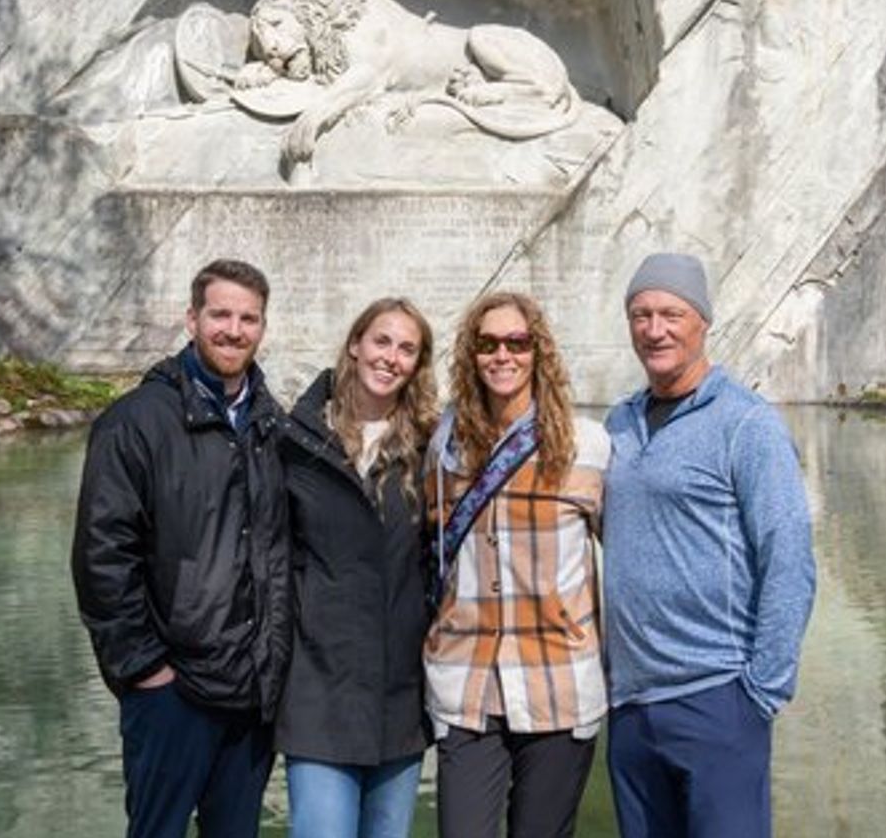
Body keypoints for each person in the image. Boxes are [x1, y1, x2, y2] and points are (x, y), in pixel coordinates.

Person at [71, 258, 291, 838]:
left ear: (262, 327)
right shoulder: (134, 422)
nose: (234, 330)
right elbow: (102, 557)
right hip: (173, 691)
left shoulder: (271, 424)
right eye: (220, 315)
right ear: (192, 319)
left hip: (251, 692)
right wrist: (144, 667)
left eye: (248, 319)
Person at [601, 253, 816, 838]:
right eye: (641, 315)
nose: (655, 330)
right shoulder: (619, 424)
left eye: (671, 314)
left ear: (702, 321)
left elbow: (788, 557)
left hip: (718, 697)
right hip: (631, 704)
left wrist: (761, 692)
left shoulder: (746, 424)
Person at [424, 292, 609, 838]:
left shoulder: (587, 445)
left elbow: (625, 559)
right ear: (471, 355)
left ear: (538, 352)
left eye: (517, 343)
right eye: (487, 344)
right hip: (466, 684)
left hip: (558, 684)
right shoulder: (445, 447)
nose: (502, 355)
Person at [277, 298, 440, 838]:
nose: (391, 357)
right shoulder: (296, 440)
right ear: (355, 344)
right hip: (319, 691)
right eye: (381, 341)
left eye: (407, 349)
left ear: (417, 365)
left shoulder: (430, 448)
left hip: (400, 695)